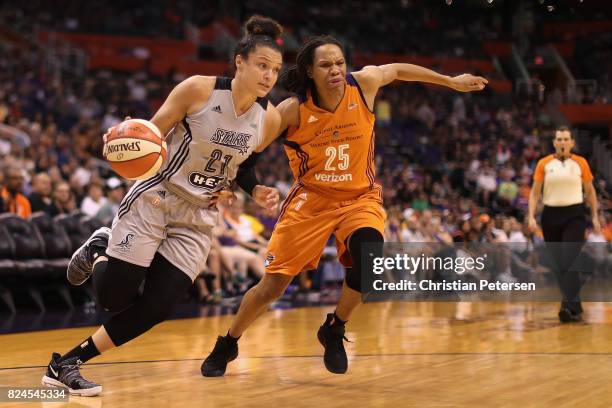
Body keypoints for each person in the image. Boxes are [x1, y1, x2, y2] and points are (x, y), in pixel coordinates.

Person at [202, 35, 488, 376]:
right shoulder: (292, 110)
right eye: (325, 65)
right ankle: (229, 341)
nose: (336, 70)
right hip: (311, 201)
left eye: (339, 62)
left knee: (369, 255)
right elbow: (246, 156)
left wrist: (449, 82)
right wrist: (249, 188)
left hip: (359, 197)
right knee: (272, 286)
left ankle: (335, 327)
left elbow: (397, 71)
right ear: (309, 71)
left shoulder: (363, 85)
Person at [41, 15, 284, 396]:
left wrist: (254, 191)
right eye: (262, 66)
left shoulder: (268, 118)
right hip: (157, 196)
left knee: (157, 307)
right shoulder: (197, 90)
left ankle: (66, 364)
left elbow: (245, 165)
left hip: (199, 216)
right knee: (111, 298)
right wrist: (127, 139)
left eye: (275, 70)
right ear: (240, 62)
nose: (269, 76)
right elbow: (152, 134)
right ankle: (101, 245)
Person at [527, 126, 600, 323]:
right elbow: (535, 193)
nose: (562, 142)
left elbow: (590, 192)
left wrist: (594, 216)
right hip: (550, 215)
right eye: (559, 139)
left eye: (566, 139)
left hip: (574, 215)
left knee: (569, 256)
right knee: (560, 264)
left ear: (572, 143)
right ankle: (574, 306)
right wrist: (531, 216)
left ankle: (567, 305)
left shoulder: (580, 163)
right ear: (554, 143)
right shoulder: (544, 163)